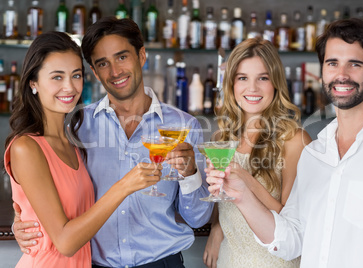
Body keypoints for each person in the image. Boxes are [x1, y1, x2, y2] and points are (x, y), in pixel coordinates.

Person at [12, 17, 213, 267]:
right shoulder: (77, 126)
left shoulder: (184, 127)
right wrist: (26, 218)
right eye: (103, 63)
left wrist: (190, 173)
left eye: (122, 57)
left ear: (141, 56)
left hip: (163, 262)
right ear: (94, 72)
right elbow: (56, 189)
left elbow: (197, 219)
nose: (115, 71)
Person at [207, 18, 363, 268]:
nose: (341, 75)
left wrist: (247, 182)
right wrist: (239, 195)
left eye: (354, 64)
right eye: (332, 63)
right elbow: (291, 238)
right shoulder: (316, 153)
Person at [3, 31, 163, 267]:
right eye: (57, 77)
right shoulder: (26, 147)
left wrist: (24, 217)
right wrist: (124, 186)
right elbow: (65, 243)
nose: (69, 87)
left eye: (76, 75)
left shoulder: (73, 142)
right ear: (33, 82)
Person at [202, 37, 311, 268]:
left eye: (263, 78)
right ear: (232, 84)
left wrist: (247, 181)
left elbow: (291, 224)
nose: (252, 88)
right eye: (243, 78)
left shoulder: (294, 140)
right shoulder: (222, 140)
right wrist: (216, 228)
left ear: (276, 83)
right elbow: (222, 200)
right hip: (228, 260)